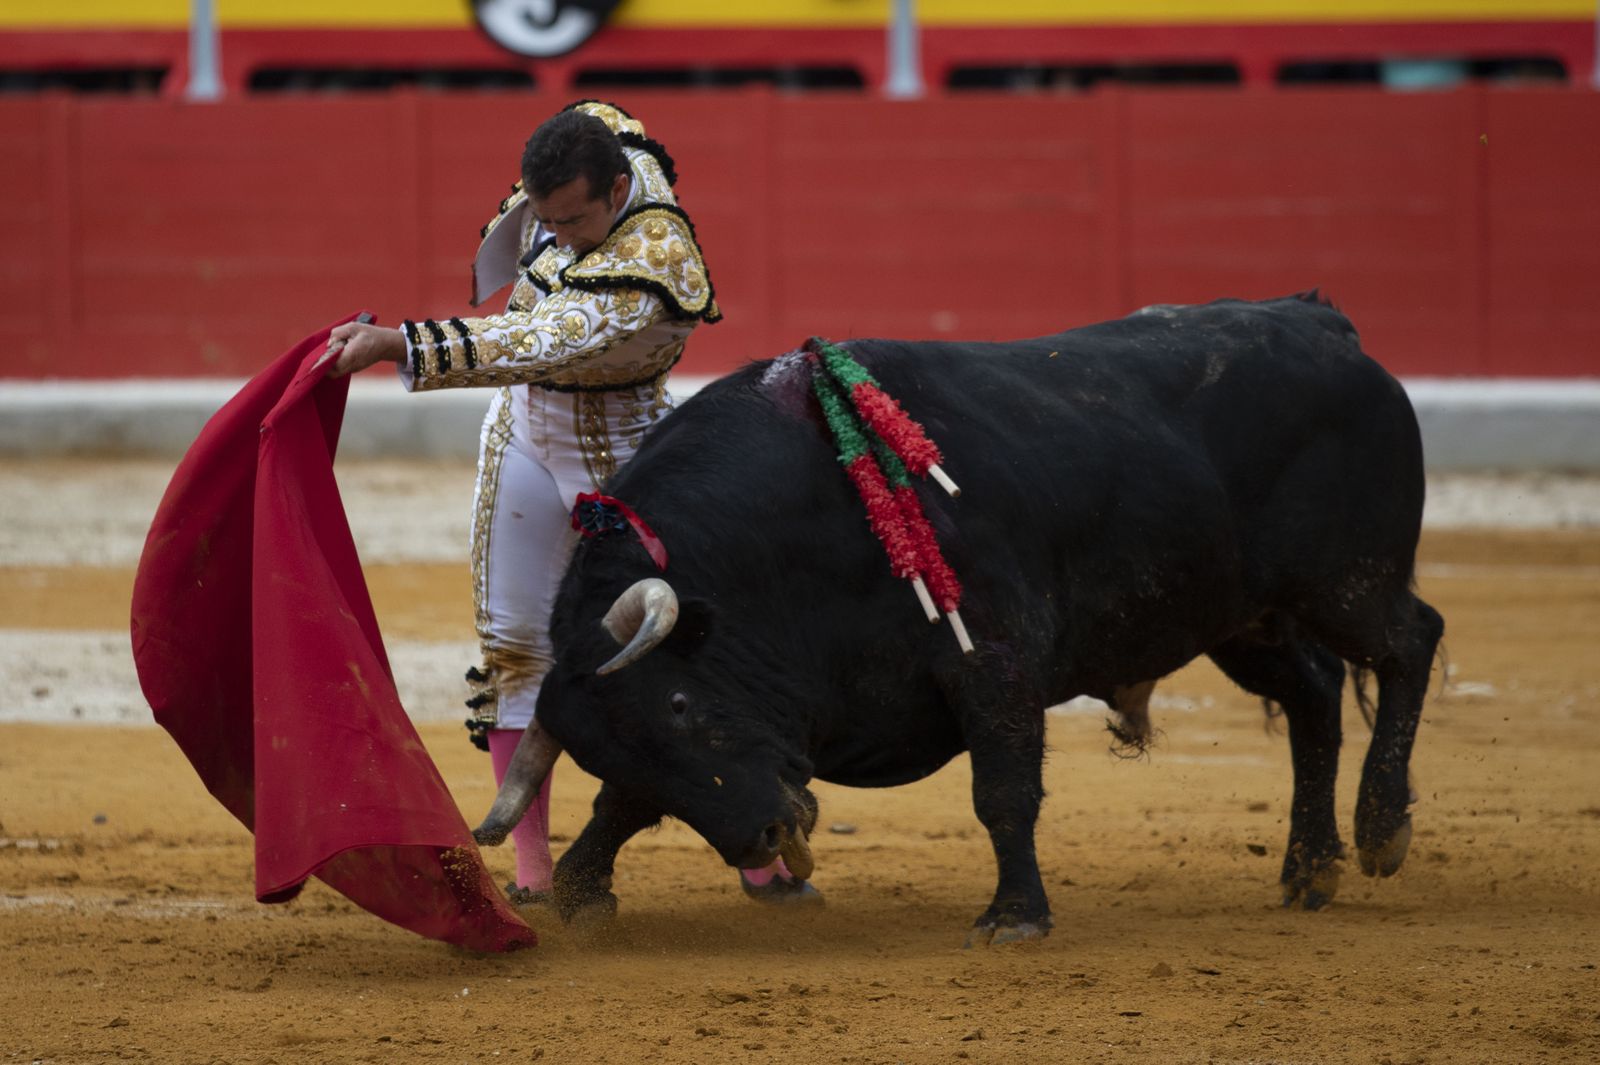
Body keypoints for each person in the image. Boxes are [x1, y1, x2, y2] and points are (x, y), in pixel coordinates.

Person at [322, 100, 809, 906]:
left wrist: (402, 343)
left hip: (623, 456)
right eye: (546, 217)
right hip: (522, 430)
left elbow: (540, 337)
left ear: (619, 189)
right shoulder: (590, 136)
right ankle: (535, 874)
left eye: (574, 220)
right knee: (513, 646)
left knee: (677, 659)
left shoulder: (659, 264)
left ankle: (762, 856)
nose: (558, 234)